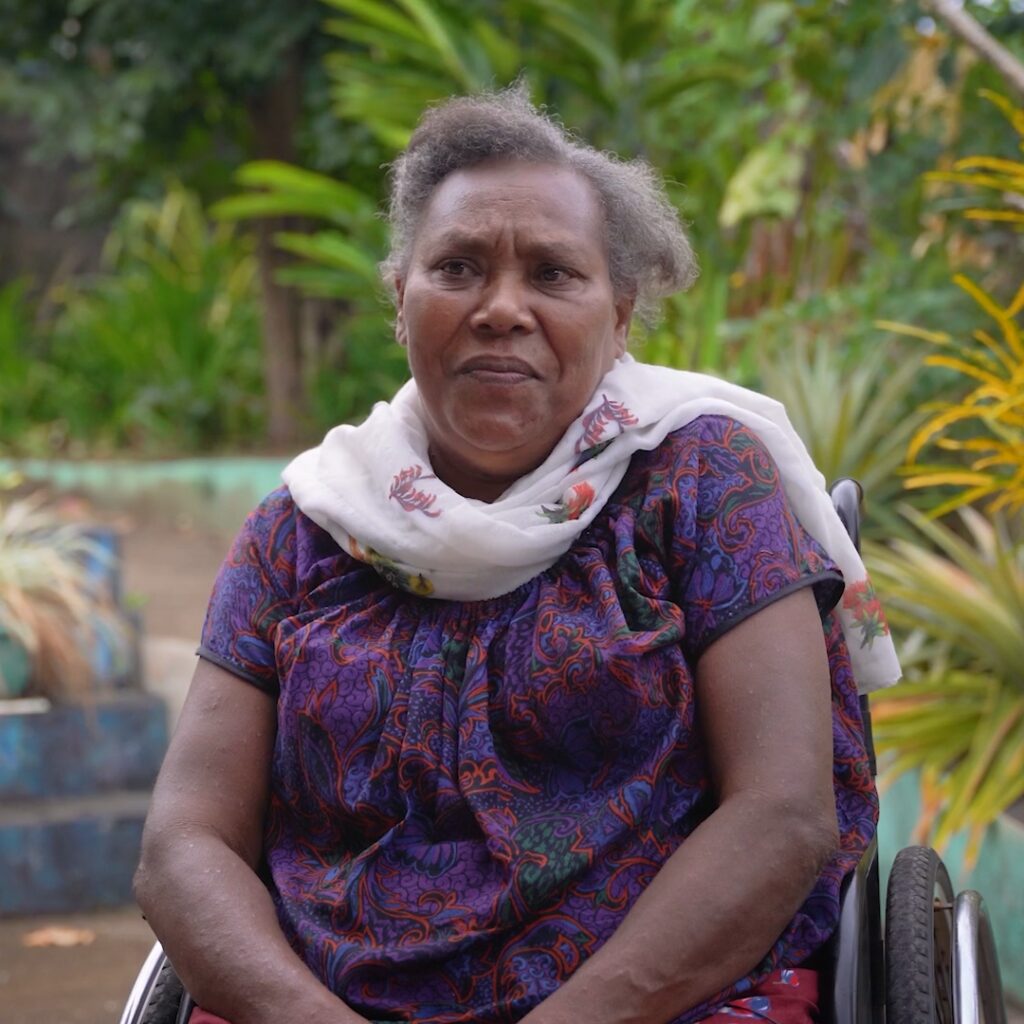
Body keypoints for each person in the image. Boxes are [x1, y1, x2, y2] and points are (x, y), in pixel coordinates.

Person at [134, 85, 900, 1024]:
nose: (502, 308)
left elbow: (782, 817)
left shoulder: (701, 482)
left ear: (618, 315)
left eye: (552, 274)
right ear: (401, 299)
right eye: (457, 268)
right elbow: (183, 844)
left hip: (663, 1002)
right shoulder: (307, 526)